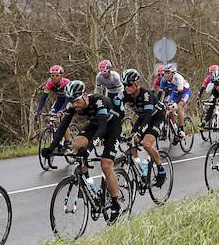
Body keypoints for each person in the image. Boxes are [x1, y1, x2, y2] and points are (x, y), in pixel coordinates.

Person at [42, 80, 123, 221]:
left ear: (85, 95)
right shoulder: (73, 106)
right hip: (95, 124)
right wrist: (50, 148)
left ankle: (116, 204)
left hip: (111, 127)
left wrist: (90, 148)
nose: (74, 105)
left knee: (106, 165)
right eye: (71, 102)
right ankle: (87, 182)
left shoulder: (99, 102)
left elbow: (103, 129)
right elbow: (62, 128)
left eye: (77, 101)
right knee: (78, 145)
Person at [120, 69, 168, 187]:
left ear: (137, 83)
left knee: (146, 144)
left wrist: (140, 133)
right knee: (132, 143)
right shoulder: (125, 94)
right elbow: (117, 111)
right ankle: (143, 170)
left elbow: (148, 117)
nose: (127, 87)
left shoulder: (146, 94)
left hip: (157, 117)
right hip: (142, 118)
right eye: (124, 85)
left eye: (129, 85)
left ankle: (161, 170)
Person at [158, 64, 191, 140]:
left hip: (185, 91)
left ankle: (182, 129)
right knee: (168, 108)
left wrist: (175, 103)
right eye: (165, 73)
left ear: (173, 73)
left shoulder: (178, 78)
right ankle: (175, 127)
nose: (165, 75)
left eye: (168, 73)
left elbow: (180, 94)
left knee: (178, 107)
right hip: (175, 92)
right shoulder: (163, 80)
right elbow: (159, 94)